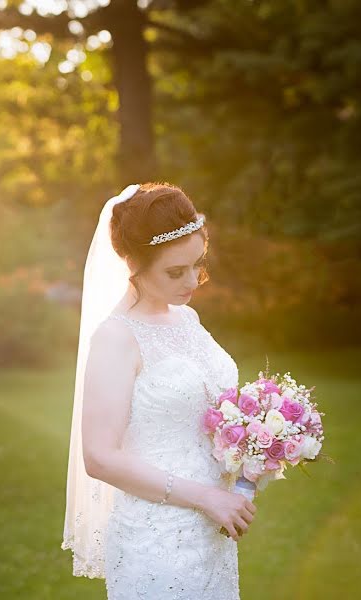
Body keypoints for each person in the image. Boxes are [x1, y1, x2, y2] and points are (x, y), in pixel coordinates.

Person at [61, 182, 256, 599]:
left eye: (196, 265)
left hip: (211, 534)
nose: (192, 281)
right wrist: (206, 497)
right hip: (156, 539)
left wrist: (258, 445)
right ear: (132, 263)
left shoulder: (187, 320)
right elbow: (99, 457)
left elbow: (206, 415)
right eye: (175, 271)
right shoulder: (116, 337)